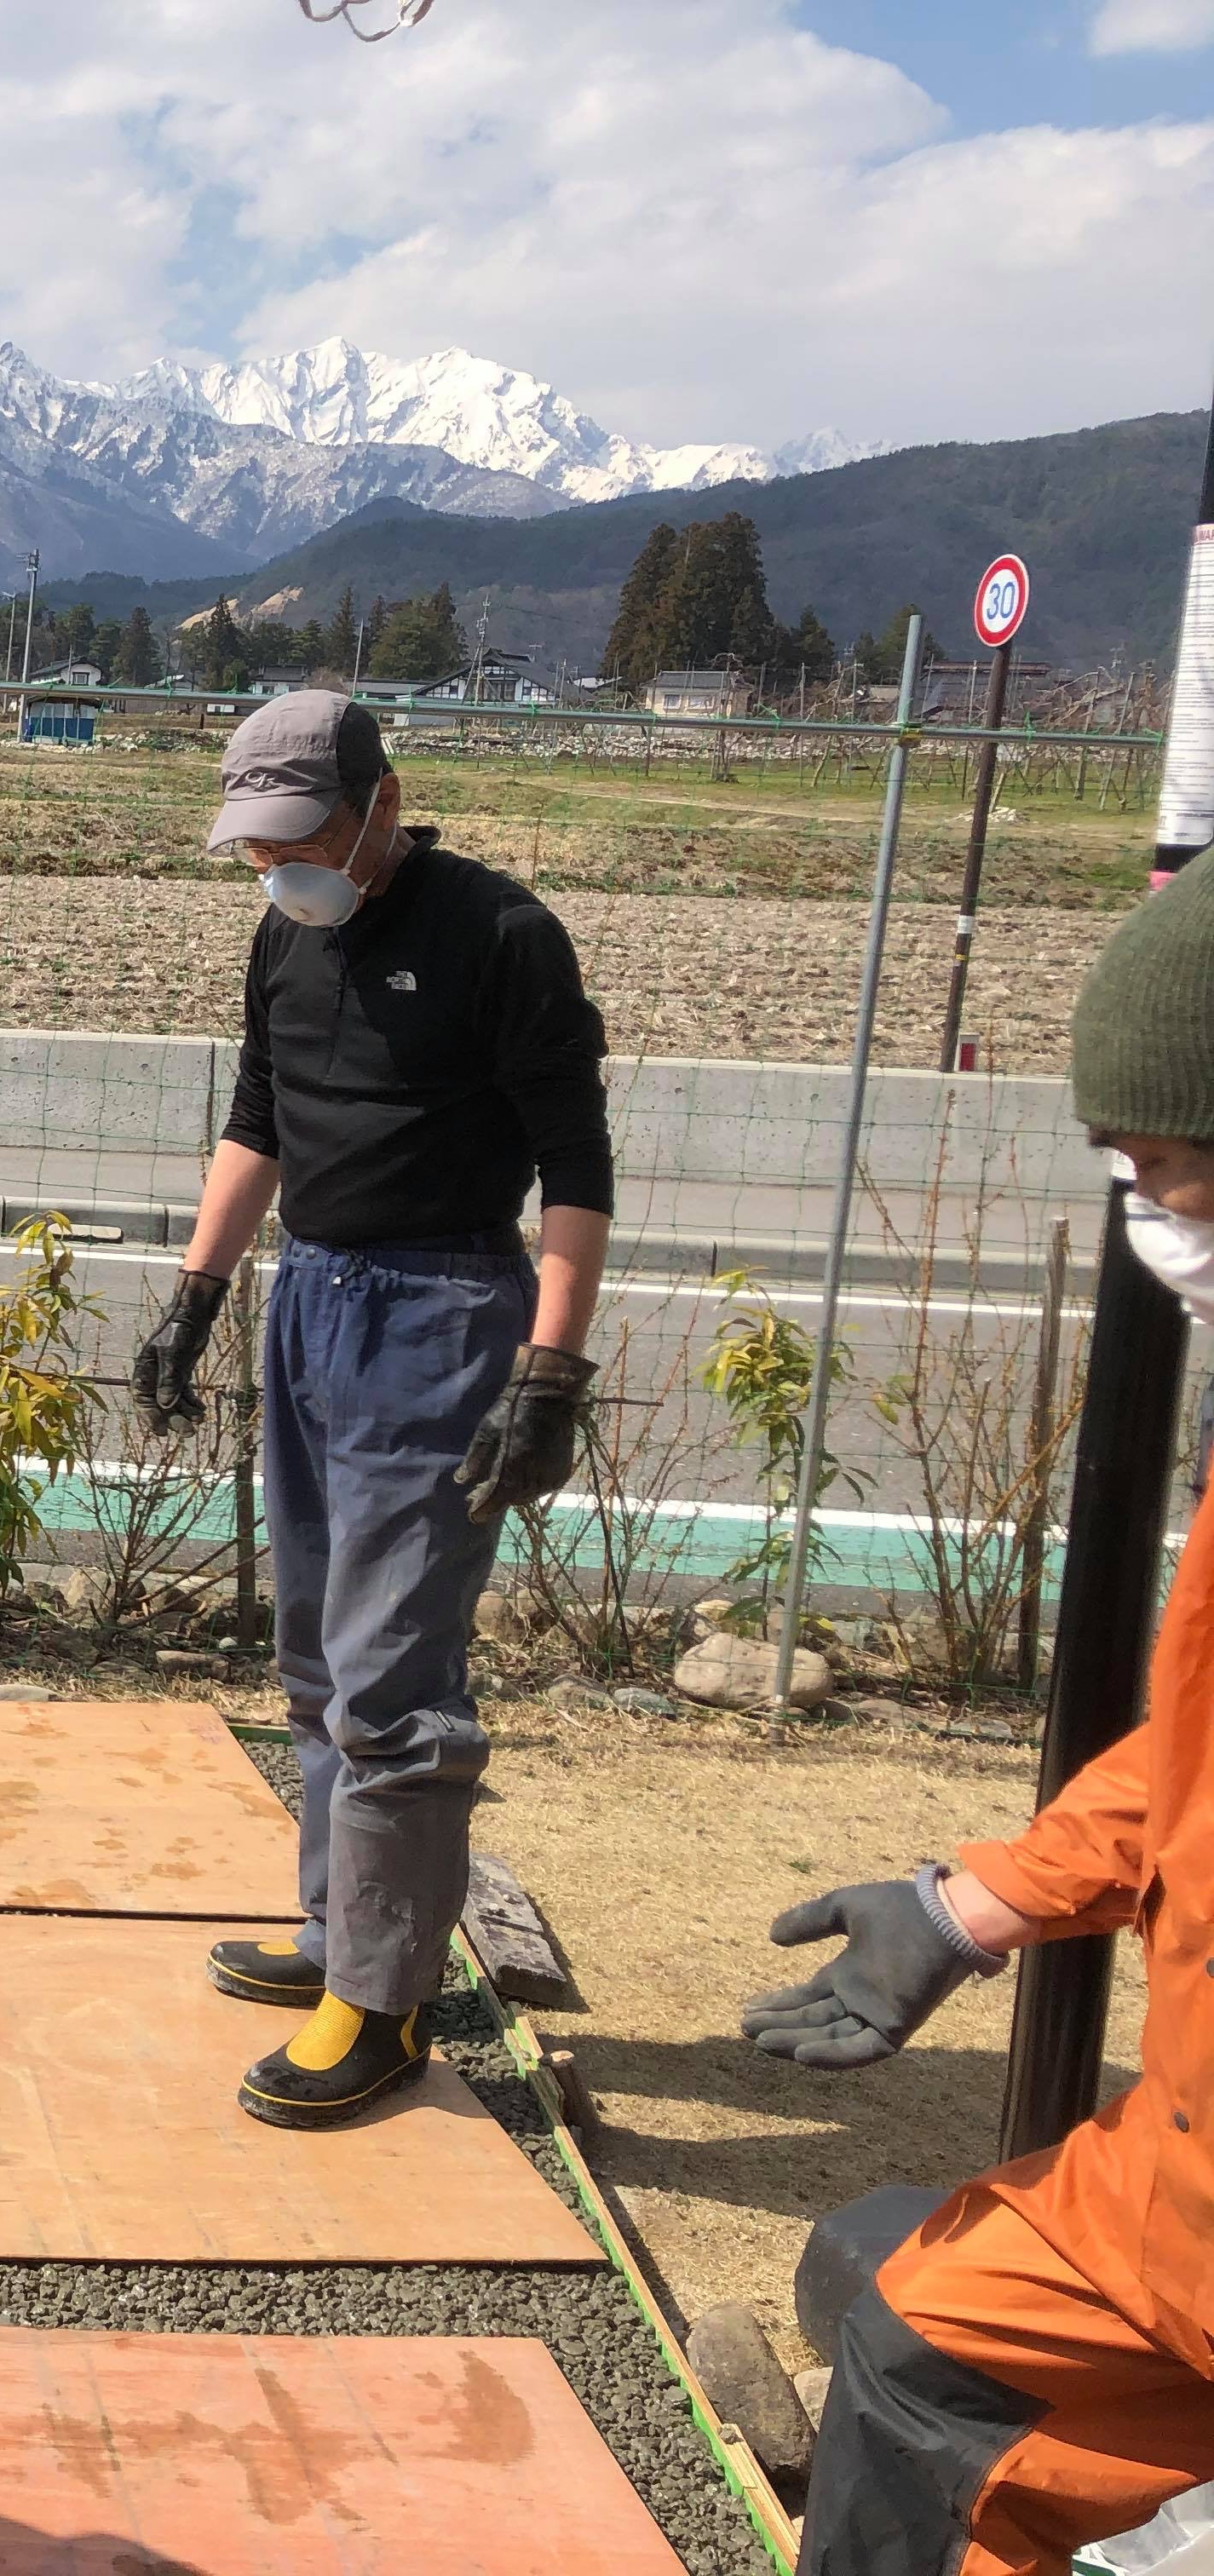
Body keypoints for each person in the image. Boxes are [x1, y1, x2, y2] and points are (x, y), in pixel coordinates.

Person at [743, 857, 1214, 2576]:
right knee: (930, 2335)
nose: (1148, 1215)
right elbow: (1197, 1750)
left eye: (1166, 1170)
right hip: (1176, 2193)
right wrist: (973, 1904)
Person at [132, 689, 613, 2128]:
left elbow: (577, 1170)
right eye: (258, 844)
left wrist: (550, 1375)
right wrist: (198, 1295)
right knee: (311, 1644)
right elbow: (258, 1119)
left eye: (304, 836)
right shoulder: (285, 934)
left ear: (382, 805)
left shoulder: (501, 937)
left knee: (391, 1670)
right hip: (313, 1298)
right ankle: (341, 1928)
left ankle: (386, 2008)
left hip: (446, 1311)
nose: (279, 865)